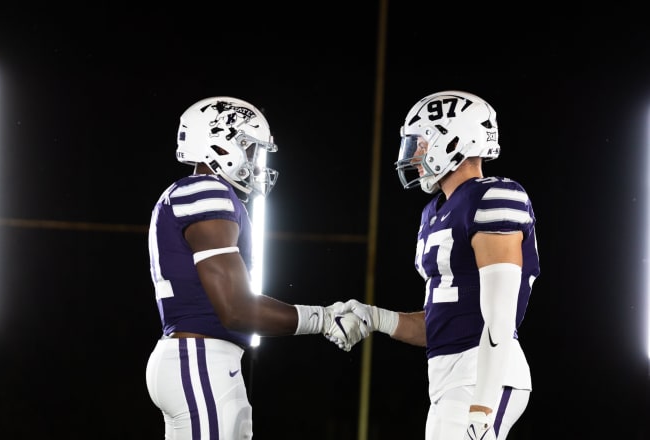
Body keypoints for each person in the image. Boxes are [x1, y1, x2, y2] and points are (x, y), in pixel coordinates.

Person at [145, 96, 365, 440]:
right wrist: (322, 318)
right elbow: (235, 309)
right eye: (249, 148)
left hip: (199, 357)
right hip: (200, 357)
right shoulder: (206, 190)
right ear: (220, 141)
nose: (254, 161)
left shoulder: (193, 193)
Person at [335, 90, 541, 439]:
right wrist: (376, 318)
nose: (413, 155)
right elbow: (443, 322)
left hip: (484, 375)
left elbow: (500, 316)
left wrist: (483, 404)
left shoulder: (493, 196)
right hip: (451, 379)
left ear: (452, 140)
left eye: (419, 144)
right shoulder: (434, 213)